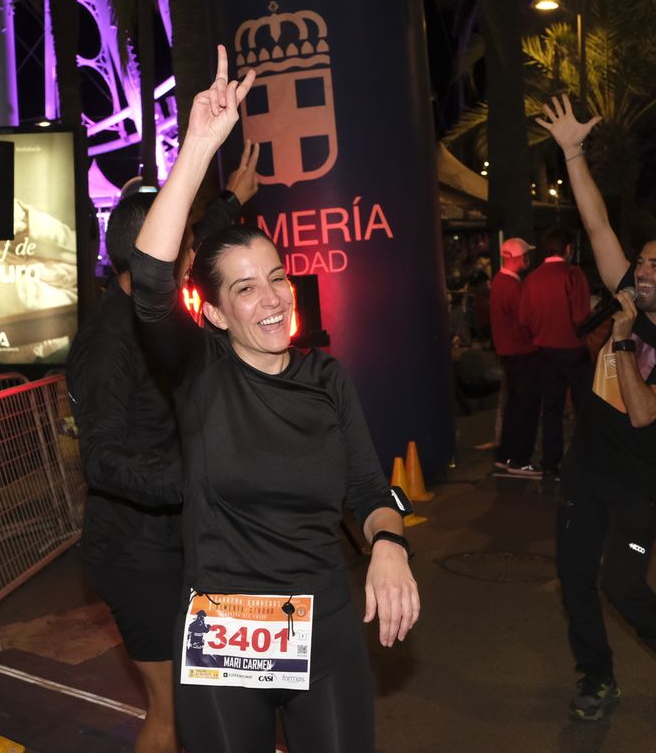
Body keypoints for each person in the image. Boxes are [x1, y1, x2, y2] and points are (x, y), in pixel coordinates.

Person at [130, 46, 418, 753]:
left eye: (278, 276)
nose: (272, 297)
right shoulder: (201, 372)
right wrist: (198, 147)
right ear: (217, 312)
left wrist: (388, 543)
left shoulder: (326, 379)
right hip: (226, 622)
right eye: (245, 287)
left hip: (321, 617)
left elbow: (370, 488)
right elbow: (148, 274)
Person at [65, 150, 260, 753]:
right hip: (136, 554)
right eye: (180, 239)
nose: (190, 251)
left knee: (210, 701)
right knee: (171, 715)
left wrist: (230, 202)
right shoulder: (107, 342)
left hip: (179, 540)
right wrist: (193, 478)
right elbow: (100, 457)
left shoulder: (153, 314)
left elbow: (198, 241)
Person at [537, 95, 656, 721]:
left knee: (623, 585)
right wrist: (572, 151)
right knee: (576, 579)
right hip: (586, 469)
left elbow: (643, 413)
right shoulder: (626, 298)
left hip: (637, 484)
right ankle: (597, 678)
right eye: (641, 261)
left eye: (655, 265)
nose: (640, 269)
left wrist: (620, 341)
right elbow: (597, 227)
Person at [519, 226, 593, 476]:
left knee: (552, 408)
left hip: (544, 350)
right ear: (569, 249)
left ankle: (551, 461)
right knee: (584, 406)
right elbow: (581, 316)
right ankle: (585, 457)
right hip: (573, 349)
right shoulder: (573, 274)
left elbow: (524, 319)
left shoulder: (531, 279)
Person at [490, 237, 542, 476]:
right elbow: (525, 321)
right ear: (519, 258)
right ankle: (519, 460)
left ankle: (505, 456)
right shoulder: (512, 286)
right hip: (523, 352)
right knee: (525, 408)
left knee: (513, 407)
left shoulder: (499, 282)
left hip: (509, 353)